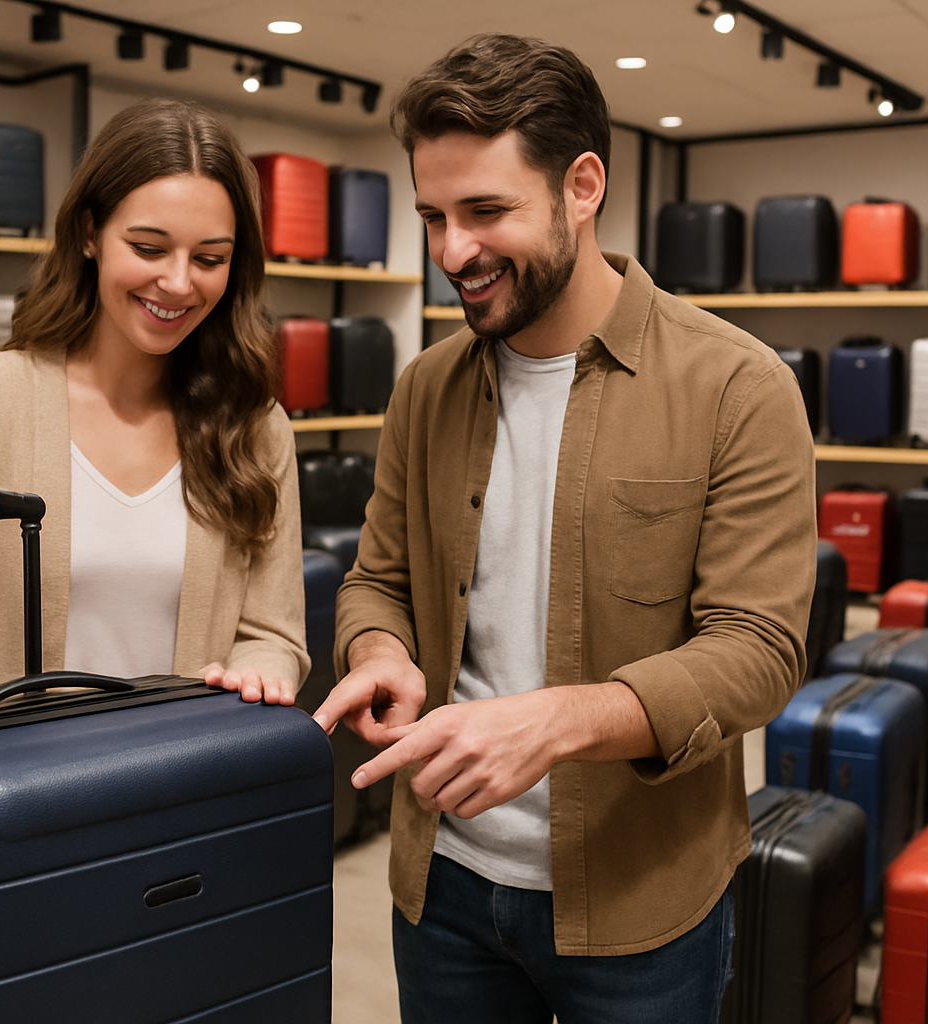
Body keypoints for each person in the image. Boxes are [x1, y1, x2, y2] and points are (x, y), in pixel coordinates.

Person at [313, 34, 817, 1023]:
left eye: (487, 212)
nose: (453, 251)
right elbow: (376, 578)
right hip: (444, 890)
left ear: (581, 186)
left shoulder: (739, 386)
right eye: (433, 217)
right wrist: (380, 649)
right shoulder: (424, 388)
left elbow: (759, 649)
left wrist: (557, 720)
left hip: (642, 906)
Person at [0, 98, 308, 706]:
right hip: (8, 792)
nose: (180, 283)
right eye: (150, 248)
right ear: (88, 234)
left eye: (209, 258)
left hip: (181, 787)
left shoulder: (257, 427)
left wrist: (264, 668)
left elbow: (273, 634)